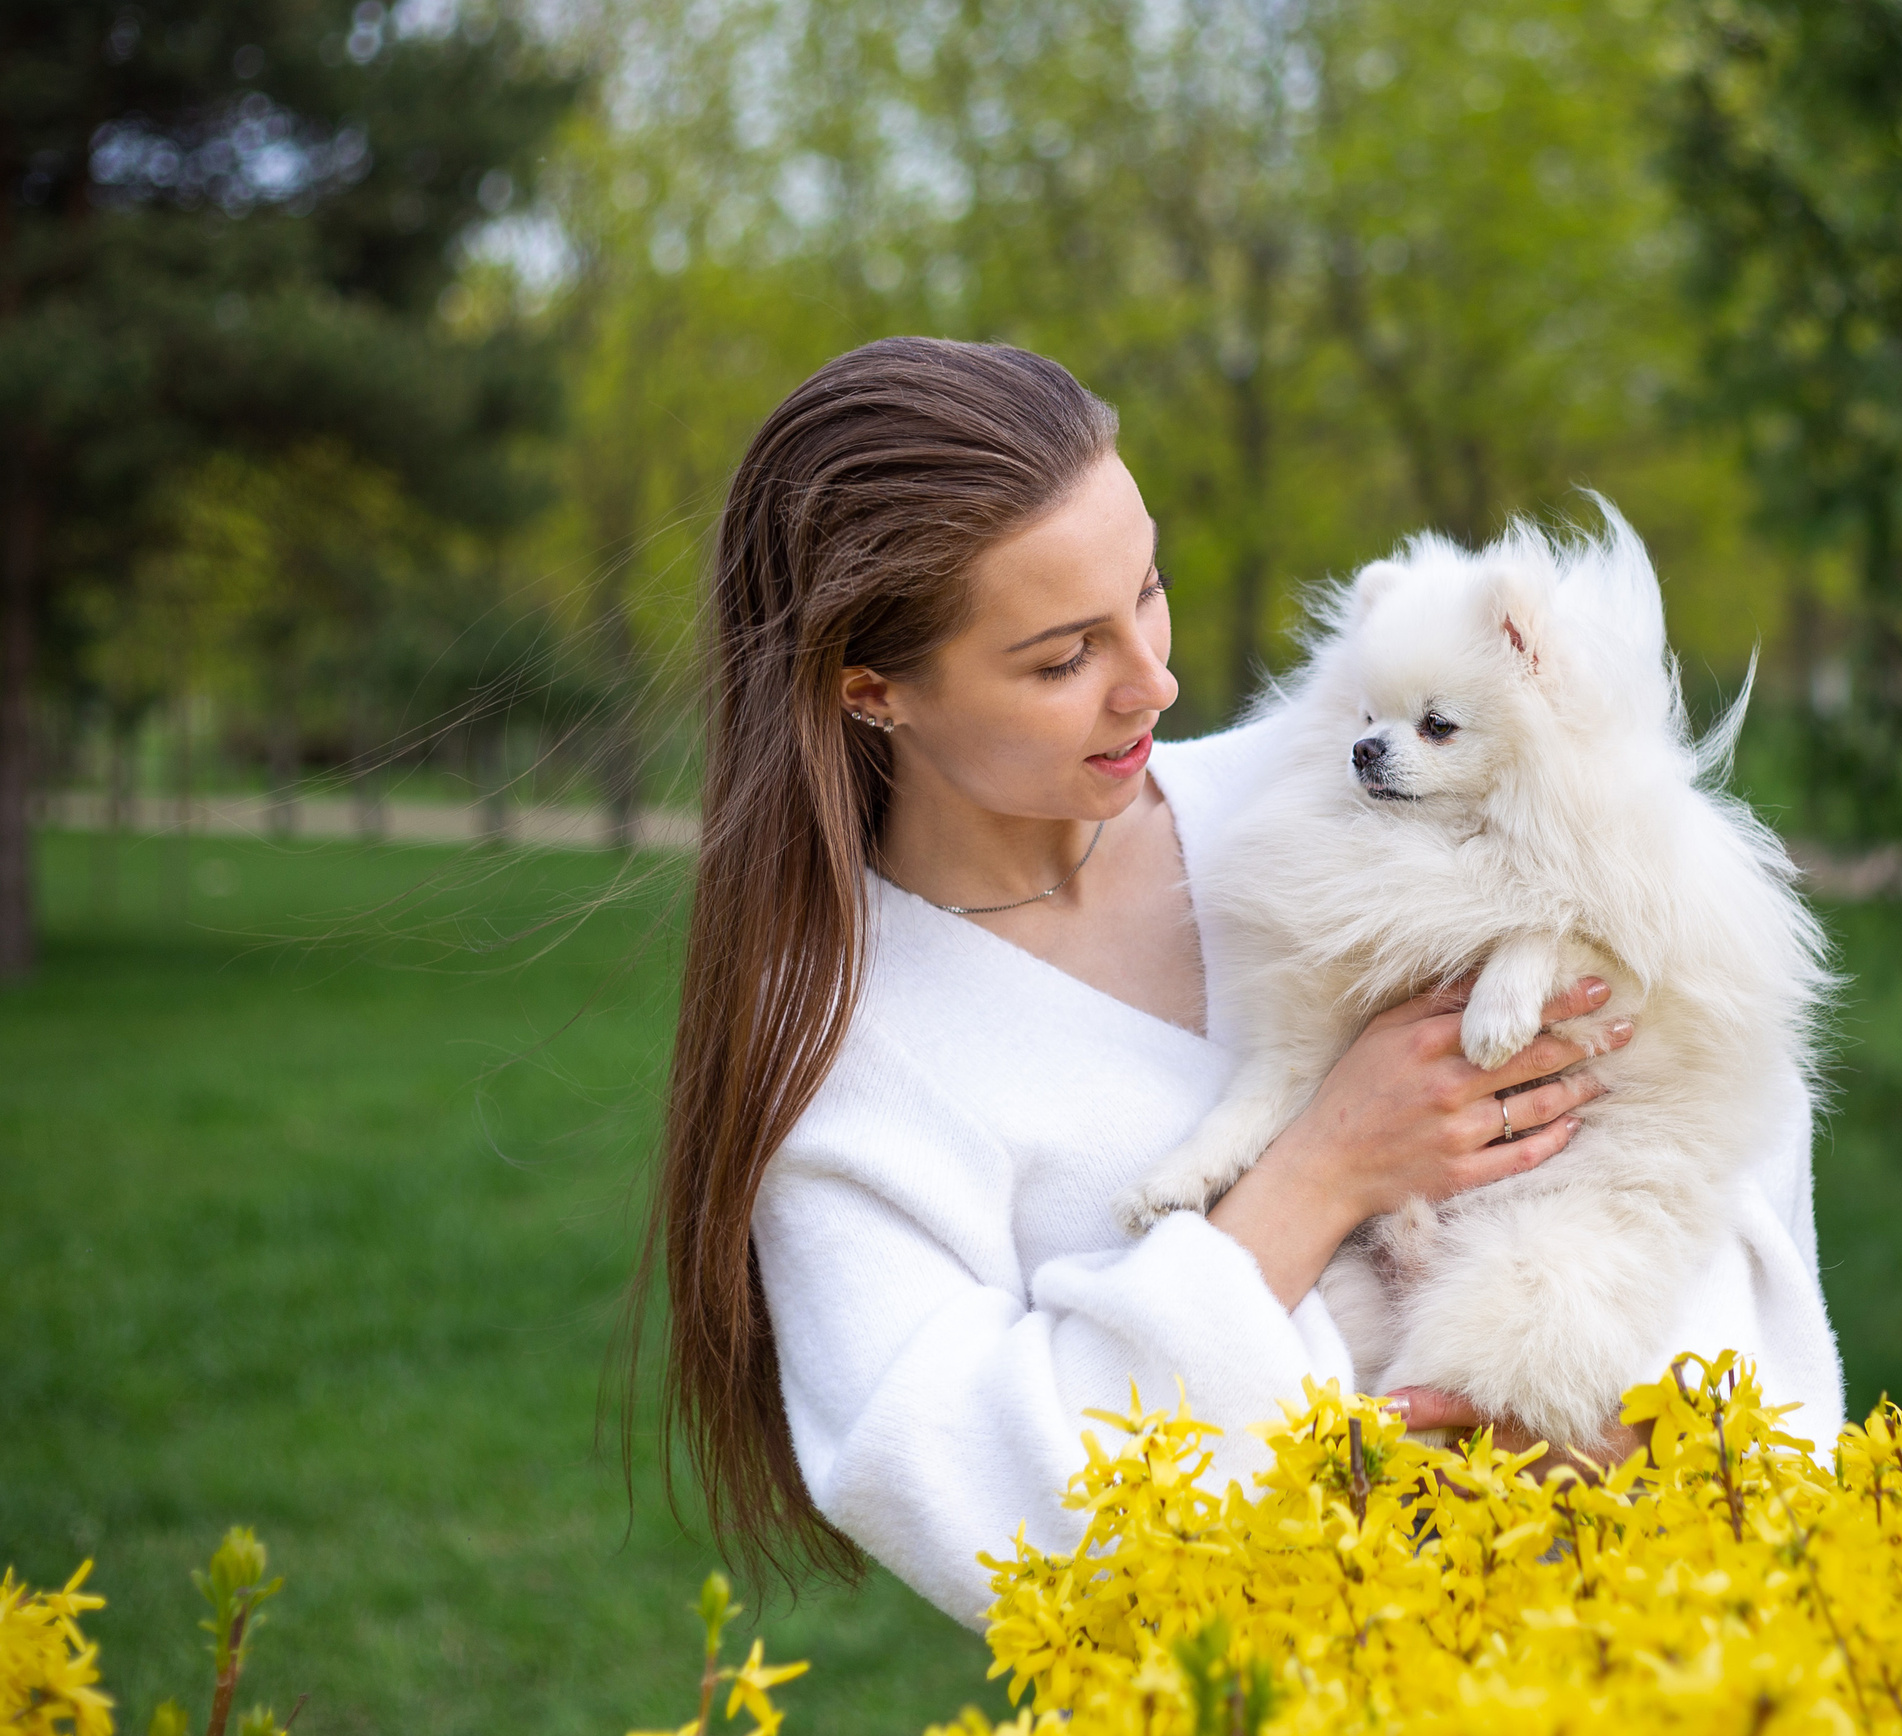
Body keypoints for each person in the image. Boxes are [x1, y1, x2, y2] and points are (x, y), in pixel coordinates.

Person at [639, 336, 1837, 1628]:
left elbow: (1711, 1075)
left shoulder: (1332, 778)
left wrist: (1654, 1415)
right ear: (872, 690)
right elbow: (983, 1490)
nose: (1152, 678)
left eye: (1146, 591)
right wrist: (1322, 1172)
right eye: (1061, 657)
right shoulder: (850, 1062)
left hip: (1666, 1651)